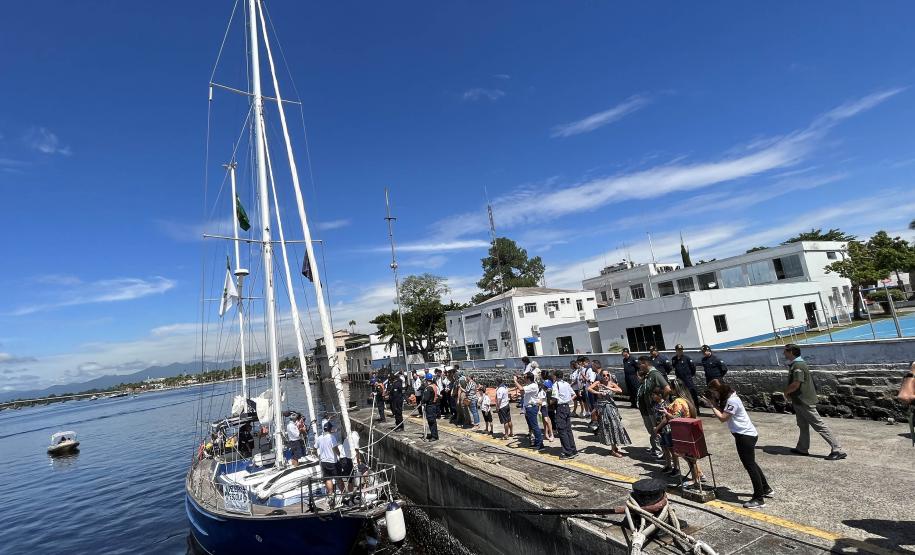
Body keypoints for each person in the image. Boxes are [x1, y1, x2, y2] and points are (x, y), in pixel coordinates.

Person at [706, 382, 772, 509]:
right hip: (745, 435)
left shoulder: (732, 401)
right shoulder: (730, 398)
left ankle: (759, 498)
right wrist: (714, 404)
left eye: (714, 392)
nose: (714, 395)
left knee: (750, 465)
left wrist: (712, 405)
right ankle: (765, 488)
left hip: (745, 436)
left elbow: (722, 418)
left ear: (720, 390)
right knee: (751, 463)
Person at [782, 344, 846, 460]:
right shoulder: (795, 364)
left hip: (804, 400)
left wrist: (786, 392)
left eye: (785, 351)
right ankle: (802, 448)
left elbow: (796, 383)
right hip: (799, 401)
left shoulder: (798, 365)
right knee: (802, 425)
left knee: (819, 425)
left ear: (791, 352)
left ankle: (837, 449)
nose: (784, 354)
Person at [588, 368, 631, 457]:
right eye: (604, 375)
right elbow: (589, 388)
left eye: (607, 375)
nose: (606, 377)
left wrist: (607, 387)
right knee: (608, 427)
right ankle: (613, 449)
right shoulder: (598, 382)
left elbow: (620, 390)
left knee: (616, 426)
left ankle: (615, 448)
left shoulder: (612, 383)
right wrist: (598, 392)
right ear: (601, 376)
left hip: (611, 407)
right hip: (603, 408)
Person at [637, 356, 671, 459]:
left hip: (654, 409)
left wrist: (661, 401)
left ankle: (662, 452)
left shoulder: (655, 374)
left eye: (641, 364)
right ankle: (657, 448)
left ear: (646, 364)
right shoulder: (648, 375)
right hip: (647, 408)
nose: (639, 366)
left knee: (657, 430)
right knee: (652, 430)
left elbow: (667, 389)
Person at [551, 370, 578, 459]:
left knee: (562, 430)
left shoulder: (556, 385)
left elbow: (554, 398)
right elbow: (574, 395)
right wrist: (568, 400)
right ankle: (573, 450)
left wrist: (549, 403)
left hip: (560, 407)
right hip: (566, 407)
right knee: (568, 429)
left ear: (555, 376)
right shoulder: (566, 384)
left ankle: (567, 452)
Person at [514, 372, 544, 450]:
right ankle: (535, 442)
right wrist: (520, 379)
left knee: (534, 426)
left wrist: (515, 381)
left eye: (525, 377)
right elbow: (523, 390)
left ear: (528, 378)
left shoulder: (533, 386)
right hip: (528, 408)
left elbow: (521, 389)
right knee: (531, 427)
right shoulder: (529, 385)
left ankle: (540, 444)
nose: (524, 378)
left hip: (532, 407)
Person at [316, 421, 342, 507]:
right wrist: (340, 455)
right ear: (330, 429)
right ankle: (344, 493)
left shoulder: (319, 438)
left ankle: (330, 495)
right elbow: (335, 449)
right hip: (332, 462)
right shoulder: (331, 437)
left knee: (328, 479)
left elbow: (315, 448)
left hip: (323, 462)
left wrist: (319, 456)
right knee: (338, 478)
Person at [671, 344, 701, 411]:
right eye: (678, 350)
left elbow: (693, 368)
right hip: (679, 381)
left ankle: (696, 409)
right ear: (676, 350)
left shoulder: (687, 358)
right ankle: (686, 409)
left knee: (692, 394)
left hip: (687, 380)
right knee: (682, 395)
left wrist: (689, 376)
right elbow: (674, 368)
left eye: (681, 350)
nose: (680, 351)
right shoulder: (674, 359)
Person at [421, 373, 439, 441]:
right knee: (432, 421)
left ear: (426, 380)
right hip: (433, 405)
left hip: (430, 406)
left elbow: (426, 398)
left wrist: (422, 402)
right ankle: (433, 434)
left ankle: (434, 436)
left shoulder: (428, 388)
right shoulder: (434, 386)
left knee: (431, 421)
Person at [539, 378, 555, 442]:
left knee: (546, 420)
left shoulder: (544, 391)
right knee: (544, 421)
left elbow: (541, 401)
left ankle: (551, 434)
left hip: (544, 406)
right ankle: (546, 434)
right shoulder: (543, 391)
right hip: (544, 406)